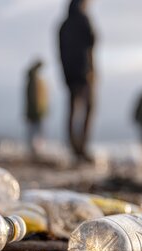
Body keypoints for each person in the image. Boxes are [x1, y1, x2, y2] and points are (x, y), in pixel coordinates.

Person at [59, 0, 96, 163]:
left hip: (70, 74)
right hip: (84, 72)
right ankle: (81, 147)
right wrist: (90, 71)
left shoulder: (63, 25)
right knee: (89, 107)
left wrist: (66, 75)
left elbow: (60, 53)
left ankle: (75, 147)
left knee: (73, 109)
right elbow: (93, 40)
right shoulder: (83, 19)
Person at [25, 59, 48, 158]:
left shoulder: (37, 80)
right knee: (35, 130)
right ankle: (34, 149)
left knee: (37, 130)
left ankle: (37, 149)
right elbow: (34, 97)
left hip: (39, 110)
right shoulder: (34, 80)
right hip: (36, 110)